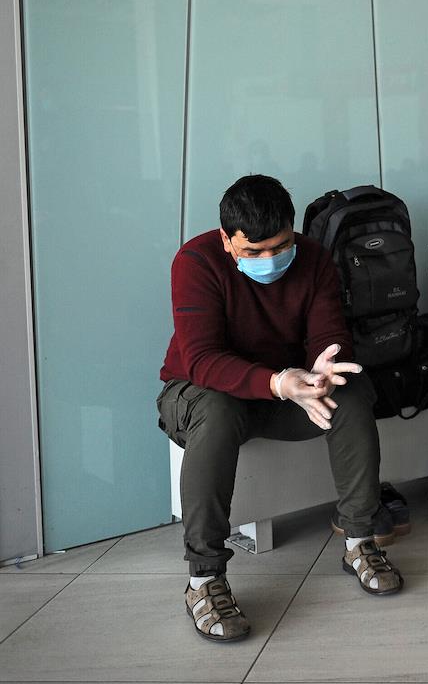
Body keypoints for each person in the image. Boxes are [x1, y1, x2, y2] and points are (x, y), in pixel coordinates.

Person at [158, 175, 402, 643]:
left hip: (283, 390)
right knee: (218, 410)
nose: (271, 259)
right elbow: (202, 359)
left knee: (351, 392)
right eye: (255, 251)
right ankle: (204, 579)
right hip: (198, 391)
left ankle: (359, 540)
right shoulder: (196, 261)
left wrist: (323, 369)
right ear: (227, 240)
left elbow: (328, 334)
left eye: (282, 246)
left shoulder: (313, 258)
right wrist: (277, 382)